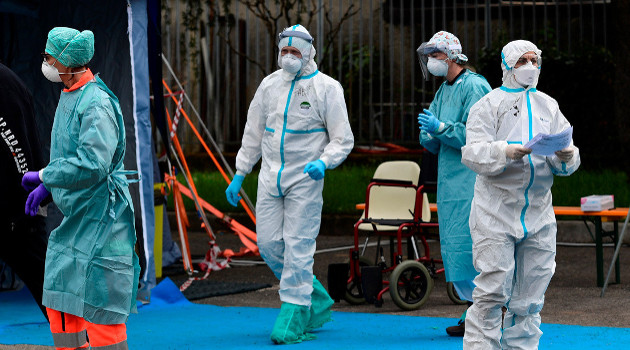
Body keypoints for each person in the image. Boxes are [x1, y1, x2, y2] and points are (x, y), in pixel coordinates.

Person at [225, 24, 354, 344]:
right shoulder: (270, 85)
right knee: (269, 245)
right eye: (284, 50)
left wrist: (323, 162)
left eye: (295, 51)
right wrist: (241, 171)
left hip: (305, 179)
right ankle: (315, 295)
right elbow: (253, 131)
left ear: (309, 52)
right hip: (270, 177)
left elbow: (343, 138)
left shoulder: (327, 88)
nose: (288, 57)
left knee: (298, 246)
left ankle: (295, 311)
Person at [21, 27, 140, 350]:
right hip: (77, 218)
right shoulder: (71, 94)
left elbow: (93, 162)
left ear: (66, 60)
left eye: (49, 57)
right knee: (61, 297)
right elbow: (70, 153)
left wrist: (46, 175)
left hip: (102, 219)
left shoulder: (96, 103)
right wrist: (53, 184)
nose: (45, 63)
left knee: (101, 306)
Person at [461, 40, 580, 349]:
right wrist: (505, 151)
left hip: (538, 214)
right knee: (492, 293)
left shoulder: (548, 105)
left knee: (529, 299)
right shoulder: (488, 105)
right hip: (495, 213)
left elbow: (564, 161)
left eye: (534, 60)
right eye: (522, 61)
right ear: (507, 66)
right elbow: (472, 153)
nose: (530, 66)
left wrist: (566, 156)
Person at [416, 31, 491, 336]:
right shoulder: (444, 91)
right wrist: (430, 133)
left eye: (435, 55)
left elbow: (478, 135)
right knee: (455, 247)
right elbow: (432, 135)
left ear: (449, 57)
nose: (432, 61)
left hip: (471, 181)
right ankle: (475, 311)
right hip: (450, 183)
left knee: (474, 247)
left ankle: (487, 311)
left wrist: (442, 129)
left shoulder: (474, 86)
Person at [0, 62, 49, 319]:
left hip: (19, 212)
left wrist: (24, 203)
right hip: (19, 206)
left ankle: (81, 343)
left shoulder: (4, 84)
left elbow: (14, 147)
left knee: (50, 292)